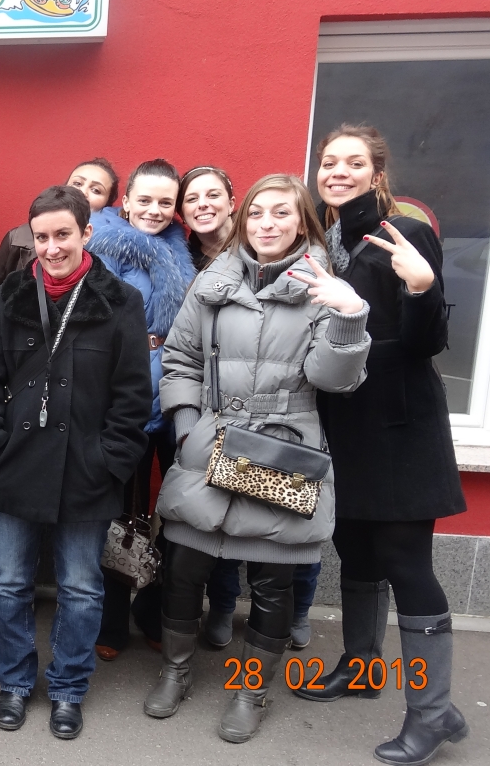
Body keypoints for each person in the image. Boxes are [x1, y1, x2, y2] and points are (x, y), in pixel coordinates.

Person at [145, 173, 370, 744]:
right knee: (184, 567)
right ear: (243, 220)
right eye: (258, 213)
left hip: (284, 443)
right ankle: (175, 671)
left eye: (281, 213)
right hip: (212, 439)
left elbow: (334, 380)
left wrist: (348, 317)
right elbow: (181, 359)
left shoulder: (322, 285)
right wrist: (187, 430)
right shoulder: (212, 280)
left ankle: (251, 692)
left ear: (301, 221)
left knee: (273, 581)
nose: (268, 224)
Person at [294, 124, 470, 766]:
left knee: (406, 562)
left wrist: (424, 288)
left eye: (353, 162)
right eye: (328, 162)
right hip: (347, 426)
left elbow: (426, 343)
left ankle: (432, 712)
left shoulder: (404, 231)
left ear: (376, 173)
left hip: (400, 428)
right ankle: (363, 666)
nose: (337, 171)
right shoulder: (332, 239)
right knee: (356, 548)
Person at [0, 185, 151, 739]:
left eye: (63, 234)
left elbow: (133, 397)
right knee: (8, 582)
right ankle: (15, 682)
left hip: (86, 468)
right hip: (12, 465)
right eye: (41, 237)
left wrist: (109, 461)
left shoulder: (120, 301)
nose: (51, 248)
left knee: (81, 588)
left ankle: (69, 688)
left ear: (86, 233)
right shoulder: (8, 298)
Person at [86, 159, 197, 661]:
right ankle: (110, 620)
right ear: (125, 201)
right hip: (124, 395)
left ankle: (153, 610)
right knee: (118, 513)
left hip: (173, 394)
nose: (154, 210)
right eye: (145, 200)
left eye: (165, 202)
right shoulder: (104, 247)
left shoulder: (178, 248)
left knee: (172, 511)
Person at [0, 158, 118, 293]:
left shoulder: (115, 251)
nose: (83, 192)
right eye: (77, 183)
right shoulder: (17, 238)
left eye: (96, 190)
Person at [179, 165, 236, 271]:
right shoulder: (182, 270)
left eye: (213, 195)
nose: (202, 204)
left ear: (231, 204)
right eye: (192, 199)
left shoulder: (258, 242)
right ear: (182, 214)